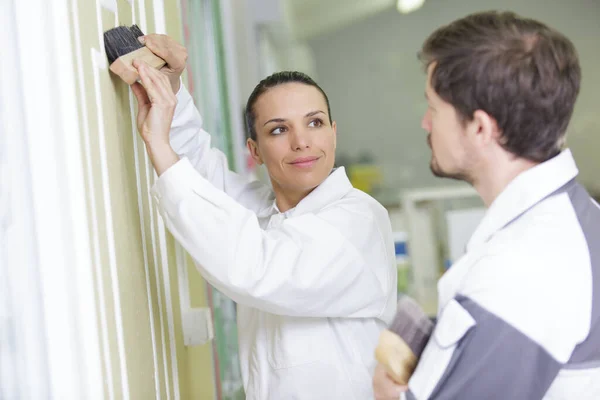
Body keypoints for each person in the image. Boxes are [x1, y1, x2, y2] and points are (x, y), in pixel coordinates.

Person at [129, 35, 397, 399]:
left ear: (333, 134)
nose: (301, 142)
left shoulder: (358, 220)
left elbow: (256, 266)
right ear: (254, 150)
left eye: (314, 123)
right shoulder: (268, 214)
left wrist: (158, 145)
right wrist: (169, 87)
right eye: (279, 129)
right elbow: (205, 177)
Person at [373, 10, 600, 400]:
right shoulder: (577, 217)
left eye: (433, 107)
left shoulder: (519, 270)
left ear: (481, 128)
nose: (426, 123)